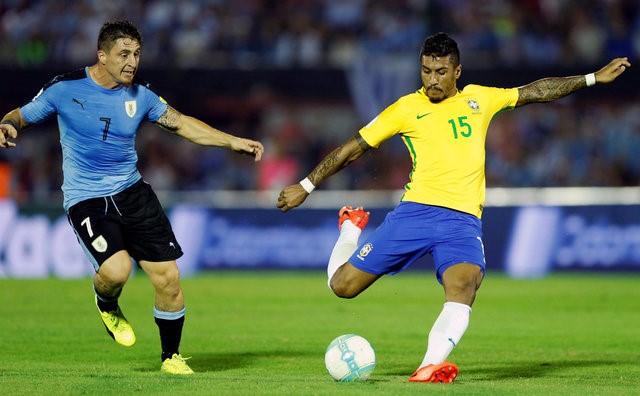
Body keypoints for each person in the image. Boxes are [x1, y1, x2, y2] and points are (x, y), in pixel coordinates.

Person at [276, 32, 629, 383]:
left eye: (441, 71)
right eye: (426, 71)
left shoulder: (480, 99)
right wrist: (306, 185)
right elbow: (353, 148)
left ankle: (428, 368)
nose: (432, 80)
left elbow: (534, 91)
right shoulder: (405, 108)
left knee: (464, 286)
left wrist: (593, 78)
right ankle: (351, 226)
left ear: (457, 71)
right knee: (343, 286)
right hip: (416, 212)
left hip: (461, 222)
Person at [0, 20, 264, 375]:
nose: (132, 62)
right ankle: (105, 302)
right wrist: (9, 125)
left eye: (137, 54)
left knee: (168, 277)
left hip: (132, 192)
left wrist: (232, 141)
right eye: (124, 54)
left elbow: (182, 123)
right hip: (86, 198)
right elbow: (21, 115)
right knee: (117, 270)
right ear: (102, 55)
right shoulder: (65, 89)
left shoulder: (141, 95)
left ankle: (171, 357)